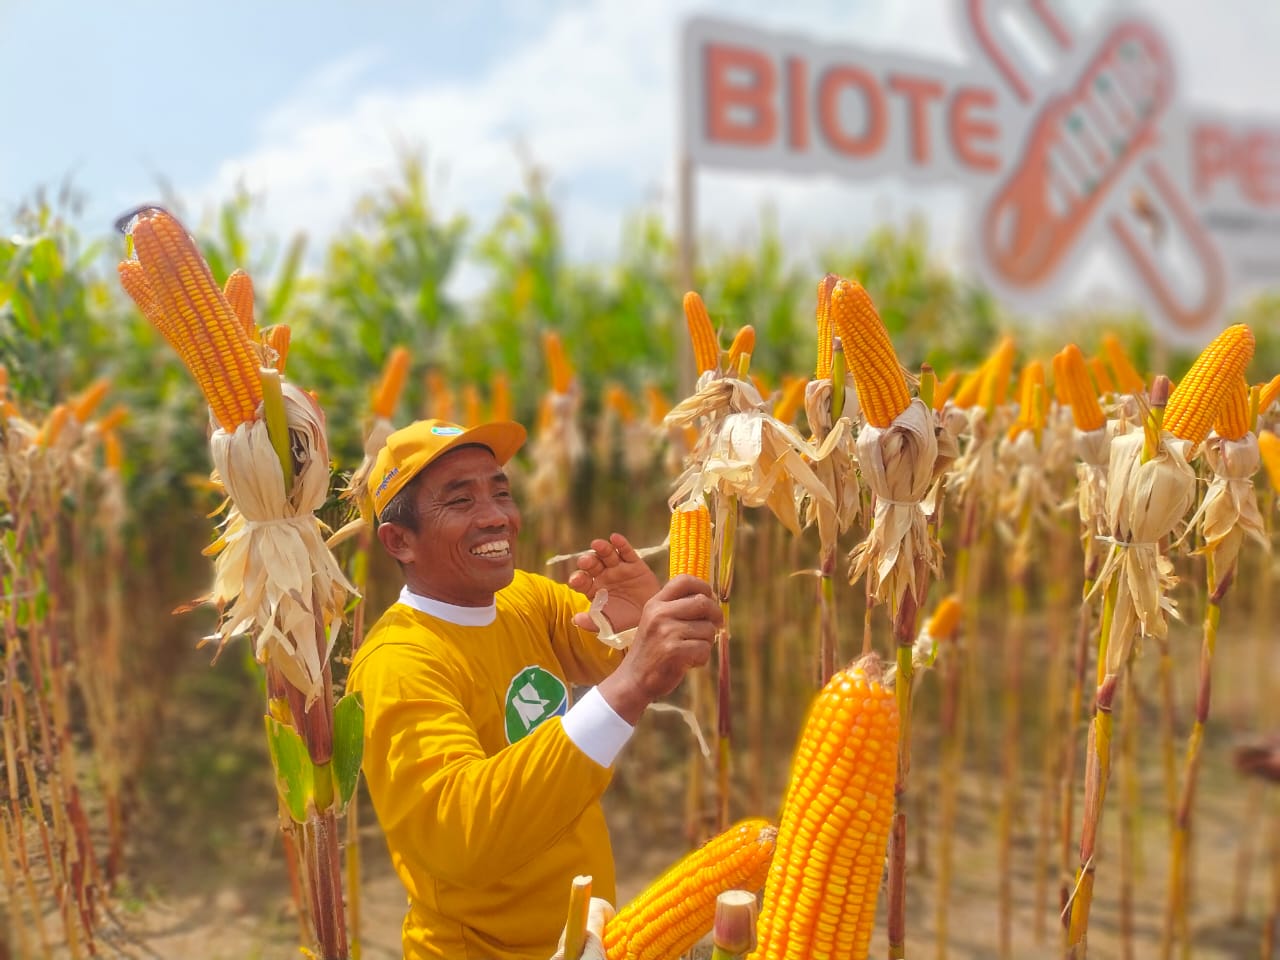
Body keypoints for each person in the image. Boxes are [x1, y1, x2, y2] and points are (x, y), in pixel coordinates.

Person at [348, 418, 722, 960]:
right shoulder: (399, 663)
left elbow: (613, 658)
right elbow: (460, 834)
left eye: (500, 492)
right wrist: (633, 679)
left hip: (585, 938)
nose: (497, 517)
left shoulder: (522, 597)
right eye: (460, 502)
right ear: (399, 540)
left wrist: (636, 623)